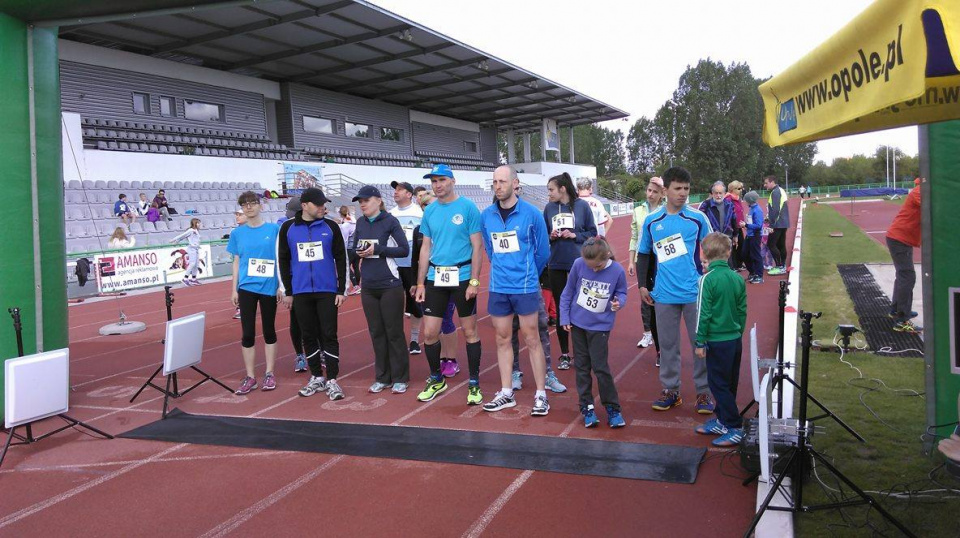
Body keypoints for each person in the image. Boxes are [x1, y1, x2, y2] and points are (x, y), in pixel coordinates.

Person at [636, 167, 715, 414]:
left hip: (694, 293)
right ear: (665, 190)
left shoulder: (697, 218)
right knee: (668, 346)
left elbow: (713, 250)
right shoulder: (652, 221)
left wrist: (711, 276)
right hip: (664, 294)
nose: (683, 194)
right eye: (678, 189)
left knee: (700, 344)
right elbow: (644, 255)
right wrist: (642, 285)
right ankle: (671, 390)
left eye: (687, 189)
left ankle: (704, 393)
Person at [480, 165, 552, 415]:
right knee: (502, 339)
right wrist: (504, 268)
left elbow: (543, 252)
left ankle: (541, 394)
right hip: (499, 286)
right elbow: (489, 249)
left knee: (532, 339)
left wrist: (527, 271)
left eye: (502, 181)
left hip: (525, 286)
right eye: (494, 182)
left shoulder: (532, 214)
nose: (498, 186)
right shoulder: (487, 215)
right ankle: (506, 392)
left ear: (515, 183)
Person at [413, 164, 484, 404]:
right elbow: (425, 247)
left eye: (442, 180)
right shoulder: (430, 211)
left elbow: (477, 246)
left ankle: (474, 384)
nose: (437, 185)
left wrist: (474, 281)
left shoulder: (468, 207)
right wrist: (420, 283)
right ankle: (436, 379)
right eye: (433, 181)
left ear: (452, 181)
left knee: (471, 332)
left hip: (463, 276)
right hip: (436, 278)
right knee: (431, 333)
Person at [277, 187, 348, 401]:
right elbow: (283, 260)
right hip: (300, 291)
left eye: (323, 204)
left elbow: (341, 258)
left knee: (329, 335)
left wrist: (341, 289)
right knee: (307, 335)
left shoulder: (331, 226)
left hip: (327, 290)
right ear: (305, 205)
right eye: (318, 204)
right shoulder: (288, 228)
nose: (323, 207)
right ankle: (317, 376)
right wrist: (287, 290)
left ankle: (333, 379)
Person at [559, 238, 628, 428]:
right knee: (581, 367)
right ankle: (587, 407)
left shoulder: (617, 270)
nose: (594, 270)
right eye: (591, 267)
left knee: (600, 368)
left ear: (606, 256)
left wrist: (618, 303)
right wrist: (564, 317)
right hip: (578, 324)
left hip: (600, 327)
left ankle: (613, 408)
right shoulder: (578, 264)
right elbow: (568, 291)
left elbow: (622, 292)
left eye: (597, 266)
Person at [353, 185, 411, 394]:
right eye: (360, 201)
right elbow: (355, 248)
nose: (362, 204)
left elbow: (404, 249)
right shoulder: (359, 222)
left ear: (378, 200)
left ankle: (401, 377)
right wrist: (358, 253)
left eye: (366, 200)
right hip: (368, 286)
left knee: (393, 332)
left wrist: (379, 249)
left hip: (389, 285)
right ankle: (382, 377)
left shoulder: (390, 221)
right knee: (376, 332)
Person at [693, 233, 748, 447]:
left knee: (717, 384)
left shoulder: (706, 280)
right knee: (729, 381)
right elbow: (742, 310)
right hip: (734, 338)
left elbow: (702, 313)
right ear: (728, 252)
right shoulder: (737, 278)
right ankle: (723, 419)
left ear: (704, 254)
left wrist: (700, 341)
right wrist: (737, 330)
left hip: (716, 340)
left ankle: (734, 425)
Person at [227, 191, 281, 395]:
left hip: (269, 286)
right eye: (244, 204)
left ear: (261, 206)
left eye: (252, 203)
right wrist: (234, 288)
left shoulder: (273, 230)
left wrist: (280, 285)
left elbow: (280, 258)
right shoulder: (237, 233)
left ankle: (269, 373)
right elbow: (236, 261)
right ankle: (250, 376)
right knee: (247, 333)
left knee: (269, 330)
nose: (248, 207)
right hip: (247, 287)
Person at [543, 172, 598, 370]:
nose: (548, 193)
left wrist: (574, 234)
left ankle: (583, 352)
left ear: (562, 189)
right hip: (556, 263)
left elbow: (593, 233)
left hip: (579, 264)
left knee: (582, 306)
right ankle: (565, 354)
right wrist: (551, 235)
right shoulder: (549, 208)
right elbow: (543, 236)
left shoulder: (582, 206)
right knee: (561, 308)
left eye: (551, 189)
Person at [412, 190, 460, 377]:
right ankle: (440, 359)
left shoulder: (449, 227)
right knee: (432, 325)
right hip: (427, 281)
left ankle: (451, 359)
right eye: (424, 206)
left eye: (431, 204)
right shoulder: (419, 230)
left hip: (448, 277)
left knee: (446, 320)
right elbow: (415, 258)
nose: (428, 209)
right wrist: (416, 282)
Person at [628, 177, 664, 349]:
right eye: (649, 190)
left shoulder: (666, 210)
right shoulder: (638, 211)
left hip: (660, 259)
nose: (650, 194)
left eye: (655, 191)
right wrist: (630, 261)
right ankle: (647, 333)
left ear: (661, 194)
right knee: (644, 298)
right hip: (642, 259)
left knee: (661, 299)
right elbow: (634, 237)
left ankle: (662, 338)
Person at [389, 180, 424, 355]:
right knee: (395, 303)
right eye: (395, 190)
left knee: (415, 304)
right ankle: (397, 339)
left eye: (400, 190)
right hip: (394, 265)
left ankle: (415, 340)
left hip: (413, 265)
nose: (396, 192)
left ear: (409, 194)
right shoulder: (390, 214)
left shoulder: (419, 213)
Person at [885, 178, 923, 333]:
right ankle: (902, 318)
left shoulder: (921, 190)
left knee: (903, 275)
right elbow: (933, 207)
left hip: (900, 238)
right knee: (907, 276)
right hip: (900, 238)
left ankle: (895, 310)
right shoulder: (920, 191)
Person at [278, 196, 308, 373]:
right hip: (294, 281)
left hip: (309, 281)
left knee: (313, 320)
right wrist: (284, 288)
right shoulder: (285, 227)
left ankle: (315, 352)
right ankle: (300, 355)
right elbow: (281, 257)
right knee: (296, 321)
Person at [698, 181, 736, 255]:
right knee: (713, 260)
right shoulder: (706, 205)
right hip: (712, 239)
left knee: (727, 261)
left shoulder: (730, 205)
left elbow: (733, 220)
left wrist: (735, 235)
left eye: (720, 193)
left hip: (727, 237)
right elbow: (700, 221)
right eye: (716, 193)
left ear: (724, 193)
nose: (718, 195)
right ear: (712, 193)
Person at [763, 175, 789, 276]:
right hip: (783, 222)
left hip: (777, 223)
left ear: (772, 182)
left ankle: (779, 266)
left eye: (766, 183)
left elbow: (776, 210)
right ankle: (782, 265)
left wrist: (772, 224)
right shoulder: (780, 190)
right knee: (780, 244)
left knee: (771, 244)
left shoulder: (775, 192)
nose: (765, 185)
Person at [170, 218, 203, 286]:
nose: (199, 224)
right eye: (198, 223)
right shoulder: (190, 230)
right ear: (195, 223)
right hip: (191, 249)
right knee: (192, 263)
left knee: (196, 264)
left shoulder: (196, 231)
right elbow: (183, 235)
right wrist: (175, 240)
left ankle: (193, 279)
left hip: (196, 249)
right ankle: (185, 278)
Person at [743, 191, 765, 284]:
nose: (745, 202)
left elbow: (759, 225)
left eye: (746, 200)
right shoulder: (751, 208)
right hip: (749, 235)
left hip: (755, 235)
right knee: (744, 254)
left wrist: (746, 225)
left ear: (750, 200)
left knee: (756, 255)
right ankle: (753, 272)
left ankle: (759, 275)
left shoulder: (757, 210)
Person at [339, 205, 361, 296]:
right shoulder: (354, 221)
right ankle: (357, 286)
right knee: (356, 267)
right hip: (358, 247)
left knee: (346, 267)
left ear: (340, 214)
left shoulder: (345, 225)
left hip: (350, 249)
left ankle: (356, 286)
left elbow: (345, 239)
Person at [726, 181, 747, 271]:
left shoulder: (737, 198)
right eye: (739, 188)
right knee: (734, 246)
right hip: (733, 226)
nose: (741, 190)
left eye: (741, 188)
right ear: (732, 189)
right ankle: (734, 265)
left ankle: (739, 263)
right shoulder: (728, 199)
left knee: (741, 245)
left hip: (739, 226)